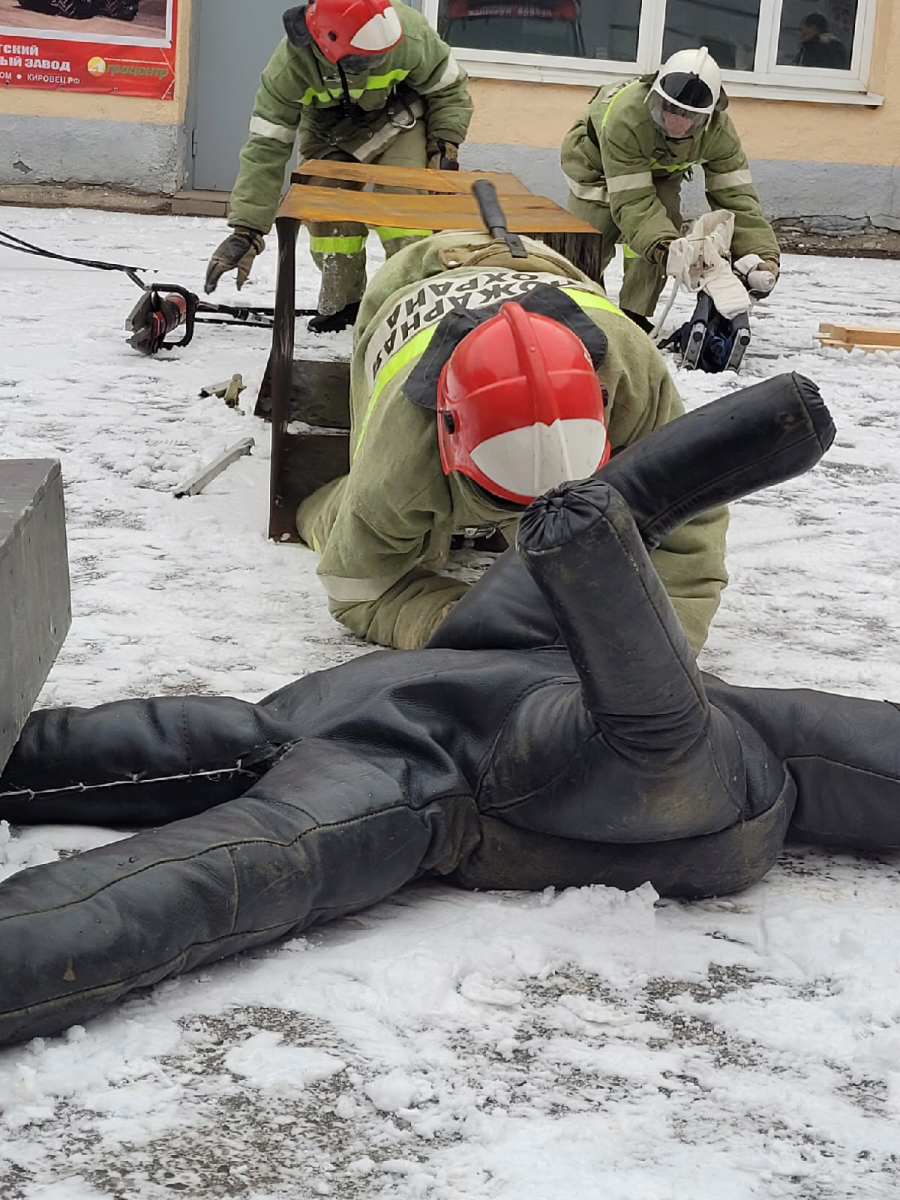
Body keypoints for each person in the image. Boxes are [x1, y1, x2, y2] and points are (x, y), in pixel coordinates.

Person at [7, 374, 900, 1051]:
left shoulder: (717, 755)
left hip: (455, 759)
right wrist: (777, 421)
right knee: (159, 780)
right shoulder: (759, 737)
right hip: (461, 683)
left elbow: (657, 731)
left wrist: (771, 430)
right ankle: (614, 545)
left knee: (215, 861)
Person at [294, 228, 729, 654]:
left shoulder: (633, 377)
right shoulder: (404, 452)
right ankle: (320, 508)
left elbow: (687, 524)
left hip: (539, 264)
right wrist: (447, 618)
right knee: (386, 534)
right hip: (410, 280)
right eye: (506, 501)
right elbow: (358, 589)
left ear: (603, 405)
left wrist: (656, 649)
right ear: (450, 441)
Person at [204, 0, 473, 333]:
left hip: (399, 118)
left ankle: (413, 299)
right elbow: (267, 145)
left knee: (406, 208)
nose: (380, 62)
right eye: (368, 59)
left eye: (383, 55)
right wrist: (247, 229)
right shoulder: (290, 66)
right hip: (330, 132)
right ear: (327, 45)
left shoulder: (409, 34)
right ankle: (343, 305)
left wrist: (444, 145)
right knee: (327, 215)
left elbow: (450, 89)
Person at [560, 46, 781, 332]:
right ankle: (577, 307)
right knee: (589, 238)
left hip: (659, 169)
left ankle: (634, 314)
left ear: (709, 116)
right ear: (655, 97)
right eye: (669, 109)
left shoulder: (719, 133)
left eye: (690, 117)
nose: (676, 123)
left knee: (664, 230)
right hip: (596, 164)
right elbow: (633, 200)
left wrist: (762, 256)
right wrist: (661, 247)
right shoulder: (627, 118)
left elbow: (737, 200)